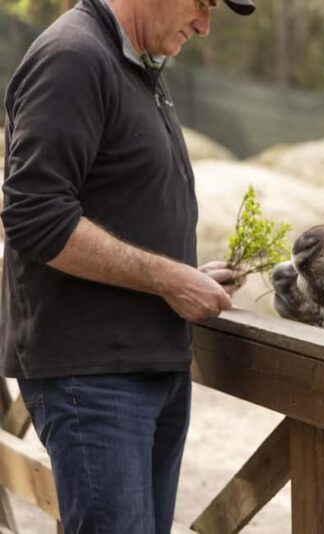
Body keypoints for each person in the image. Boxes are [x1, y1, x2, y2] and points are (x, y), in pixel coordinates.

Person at [1, 0, 255, 531]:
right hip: (93, 379)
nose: (205, 26)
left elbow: (119, 204)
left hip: (147, 368)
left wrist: (186, 274)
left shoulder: (134, 64)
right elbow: (33, 215)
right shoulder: (72, 57)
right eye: (203, 4)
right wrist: (166, 278)